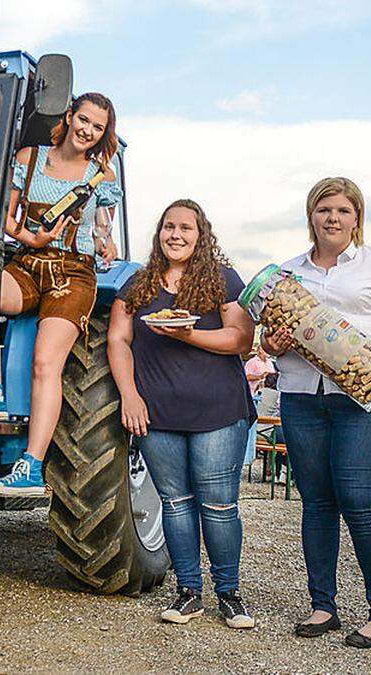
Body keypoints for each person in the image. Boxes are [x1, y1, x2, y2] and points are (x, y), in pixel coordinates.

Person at [262, 177, 371, 649]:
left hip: (368, 397)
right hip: (302, 396)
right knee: (316, 504)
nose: (333, 218)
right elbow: (274, 339)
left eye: (343, 210)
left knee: (360, 503)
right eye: (324, 209)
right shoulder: (287, 274)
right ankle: (323, 606)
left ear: (357, 218)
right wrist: (271, 346)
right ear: (310, 215)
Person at [108, 199, 256, 629]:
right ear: (159, 233)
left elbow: (240, 339)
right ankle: (188, 591)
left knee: (219, 505)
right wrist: (129, 396)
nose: (176, 235)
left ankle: (229, 594)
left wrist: (189, 333)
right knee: (175, 503)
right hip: (156, 411)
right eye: (169, 227)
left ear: (201, 234)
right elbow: (118, 340)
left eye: (186, 228)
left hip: (218, 411)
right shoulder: (137, 284)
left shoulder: (223, 280)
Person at [0, 92, 123, 495]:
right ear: (70, 116)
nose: (88, 131)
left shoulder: (102, 175)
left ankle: (30, 465)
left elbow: (101, 227)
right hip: (28, 262)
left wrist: (105, 242)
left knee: (46, 364)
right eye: (84, 121)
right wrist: (32, 235)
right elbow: (4, 218)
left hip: (73, 274)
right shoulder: (30, 159)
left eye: (98, 127)